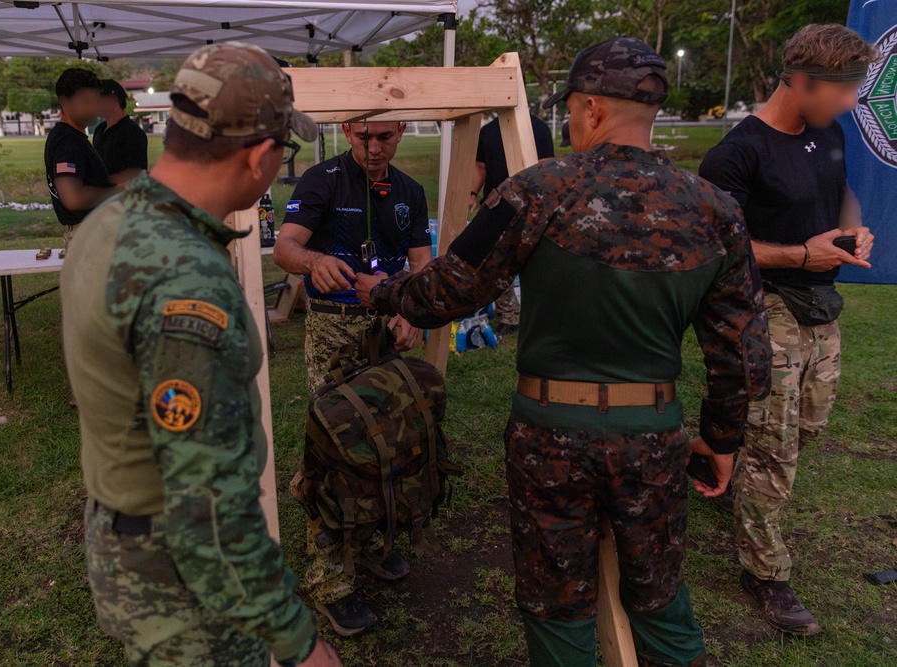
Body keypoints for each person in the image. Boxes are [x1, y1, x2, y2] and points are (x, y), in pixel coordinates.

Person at [356, 37, 771, 667]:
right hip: (653, 433)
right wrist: (721, 438)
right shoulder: (715, 209)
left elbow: (450, 290)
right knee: (659, 594)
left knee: (556, 603)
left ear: (594, 109)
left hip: (550, 434)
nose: (571, 123)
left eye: (572, 110)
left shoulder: (537, 190)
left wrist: (383, 293)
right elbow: (743, 353)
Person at [60, 42, 341, 667]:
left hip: (128, 541)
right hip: (180, 584)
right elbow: (207, 512)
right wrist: (298, 641)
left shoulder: (108, 221)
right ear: (263, 154)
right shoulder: (184, 279)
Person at [698, 23, 877, 636]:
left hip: (821, 308)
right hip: (763, 309)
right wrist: (802, 255)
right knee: (774, 450)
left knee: (805, 429)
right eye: (844, 90)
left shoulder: (828, 135)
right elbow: (718, 245)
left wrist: (853, 231)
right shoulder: (735, 153)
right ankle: (766, 573)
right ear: (801, 81)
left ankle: (723, 464)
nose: (852, 103)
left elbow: (841, 195)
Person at [272, 121, 431, 635]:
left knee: (391, 444)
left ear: (402, 130)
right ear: (347, 129)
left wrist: (411, 311)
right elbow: (285, 247)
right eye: (365, 137)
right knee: (337, 451)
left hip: (387, 331)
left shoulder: (409, 191)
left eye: (386, 136)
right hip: (334, 331)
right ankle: (329, 580)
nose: (376, 146)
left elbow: (422, 266)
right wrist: (314, 262)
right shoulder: (322, 180)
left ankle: (369, 546)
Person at [470, 113, 555, 336]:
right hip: (494, 206)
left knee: (535, 262)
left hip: (532, 207)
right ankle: (509, 315)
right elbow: (480, 167)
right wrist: (472, 193)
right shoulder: (487, 132)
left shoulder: (539, 129)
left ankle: (538, 314)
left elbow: (547, 168)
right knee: (493, 262)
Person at [44, 68, 118, 250]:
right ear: (64, 102)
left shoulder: (72, 137)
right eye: (86, 101)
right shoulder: (67, 141)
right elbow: (72, 199)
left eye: (96, 100)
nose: (94, 108)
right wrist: (115, 191)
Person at [93, 79, 149, 184]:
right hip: (103, 197)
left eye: (98, 100)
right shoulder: (99, 130)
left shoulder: (132, 132)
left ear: (113, 99)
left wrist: (104, 181)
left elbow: (137, 172)